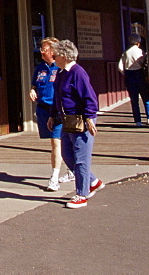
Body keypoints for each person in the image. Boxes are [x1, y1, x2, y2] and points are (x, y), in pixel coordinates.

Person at [50, 39, 104, 209]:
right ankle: (92, 181)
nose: (53, 57)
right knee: (67, 154)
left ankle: (82, 194)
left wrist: (89, 117)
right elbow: (57, 97)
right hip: (66, 120)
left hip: (81, 120)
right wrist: (53, 115)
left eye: (56, 54)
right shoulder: (60, 73)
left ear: (65, 56)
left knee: (81, 158)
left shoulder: (78, 72)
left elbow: (89, 97)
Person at [29, 37, 72, 191]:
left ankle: (54, 177)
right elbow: (35, 83)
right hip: (43, 109)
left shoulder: (60, 67)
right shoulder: (40, 68)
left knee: (56, 142)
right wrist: (33, 90)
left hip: (58, 110)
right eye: (41, 49)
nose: (41, 51)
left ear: (53, 51)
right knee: (57, 142)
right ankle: (71, 168)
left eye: (45, 49)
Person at [118, 34, 149, 125]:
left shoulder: (125, 52)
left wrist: (125, 73)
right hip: (140, 73)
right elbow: (144, 63)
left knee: (134, 99)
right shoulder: (141, 52)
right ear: (138, 42)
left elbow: (120, 67)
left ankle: (138, 121)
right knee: (146, 97)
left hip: (129, 74)